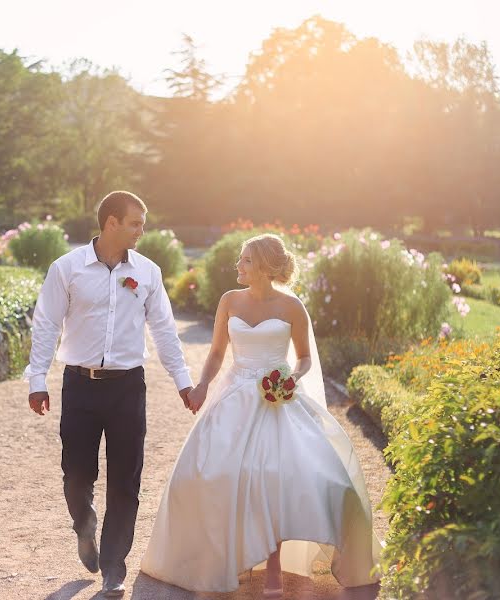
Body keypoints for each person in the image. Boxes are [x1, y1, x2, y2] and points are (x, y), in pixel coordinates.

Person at [140, 233, 382, 597]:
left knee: (282, 476)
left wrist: (291, 379)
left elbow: (303, 358)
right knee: (212, 475)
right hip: (234, 396)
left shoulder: (291, 307)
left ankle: (272, 568)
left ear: (265, 267)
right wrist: (203, 385)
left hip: (279, 398)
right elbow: (218, 353)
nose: (238, 265)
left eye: (246, 260)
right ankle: (228, 558)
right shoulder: (229, 301)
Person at [24, 190, 194, 598]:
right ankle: (85, 525)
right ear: (111, 223)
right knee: (75, 474)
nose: (142, 230)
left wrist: (183, 382)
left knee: (126, 480)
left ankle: (114, 566)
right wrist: (37, 381)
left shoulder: (148, 273)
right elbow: (46, 324)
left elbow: (165, 332)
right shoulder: (66, 268)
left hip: (127, 388)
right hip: (80, 385)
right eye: (135, 223)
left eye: (143, 223)